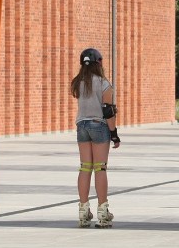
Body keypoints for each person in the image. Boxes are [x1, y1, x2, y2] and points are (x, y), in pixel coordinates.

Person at [71, 48, 120, 228]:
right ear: (99, 63)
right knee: (100, 168)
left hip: (82, 126)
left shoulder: (78, 82)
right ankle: (103, 212)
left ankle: (83, 212)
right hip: (98, 125)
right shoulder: (104, 83)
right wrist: (114, 134)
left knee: (85, 167)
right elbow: (108, 111)